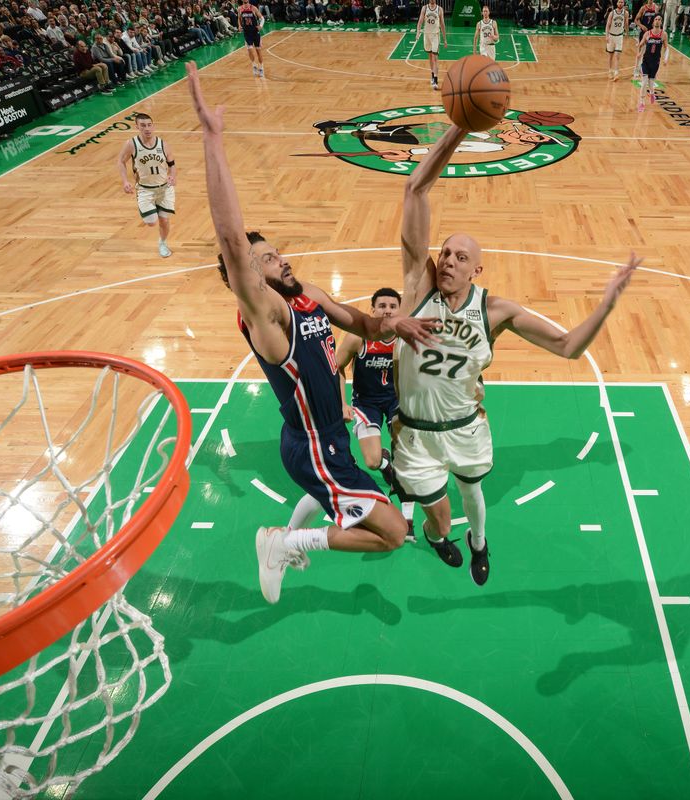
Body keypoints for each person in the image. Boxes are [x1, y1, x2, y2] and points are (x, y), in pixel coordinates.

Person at [185, 62, 440, 604]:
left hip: (332, 437)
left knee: (384, 526)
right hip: (311, 447)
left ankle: (310, 513)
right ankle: (283, 542)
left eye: (275, 252)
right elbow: (231, 239)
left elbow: (366, 322)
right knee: (394, 535)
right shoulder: (268, 318)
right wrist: (213, 138)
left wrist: (400, 324)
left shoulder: (310, 295)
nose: (278, 258)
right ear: (248, 279)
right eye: (265, 260)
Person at [395, 123, 640, 587]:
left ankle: (481, 544)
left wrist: (606, 304)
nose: (448, 260)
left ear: (478, 269)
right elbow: (415, 188)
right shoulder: (416, 289)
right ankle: (439, 536)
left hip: (465, 427)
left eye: (461, 257)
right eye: (445, 252)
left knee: (472, 493)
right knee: (438, 520)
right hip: (417, 434)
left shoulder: (495, 310)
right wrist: (460, 128)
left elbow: (568, 348)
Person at [336, 287, 417, 540]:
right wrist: (341, 404)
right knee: (371, 461)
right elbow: (336, 368)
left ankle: (408, 519)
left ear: (399, 310)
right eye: (382, 306)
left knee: (407, 460)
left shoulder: (406, 336)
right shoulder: (358, 337)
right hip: (365, 403)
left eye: (393, 306)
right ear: (373, 309)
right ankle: (384, 463)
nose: (387, 310)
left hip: (396, 400)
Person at [117, 113, 177, 258]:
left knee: (164, 220)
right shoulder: (131, 144)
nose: (147, 128)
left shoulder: (163, 144)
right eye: (143, 125)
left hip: (164, 188)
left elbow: (172, 164)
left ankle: (162, 243)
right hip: (145, 189)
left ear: (153, 126)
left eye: (149, 125)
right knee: (151, 222)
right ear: (137, 127)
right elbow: (120, 161)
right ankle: (152, 209)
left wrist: (173, 176)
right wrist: (125, 181)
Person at [637, 13, 668, 110]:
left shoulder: (663, 34)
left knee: (651, 82)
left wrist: (665, 58)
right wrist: (639, 52)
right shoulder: (647, 34)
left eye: (659, 19)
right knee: (644, 82)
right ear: (653, 21)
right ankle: (641, 102)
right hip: (646, 60)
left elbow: (667, 48)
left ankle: (651, 93)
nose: (658, 21)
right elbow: (641, 45)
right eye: (656, 19)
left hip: (655, 62)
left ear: (661, 22)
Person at [416, 0, 446, 90]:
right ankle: (432, 74)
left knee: (435, 58)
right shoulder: (424, 8)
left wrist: (445, 39)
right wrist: (418, 31)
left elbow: (442, 24)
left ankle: (436, 80)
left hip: (435, 35)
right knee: (430, 57)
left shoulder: (440, 9)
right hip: (426, 35)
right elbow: (420, 20)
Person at [238, 0, 265, 76]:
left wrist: (260, 26)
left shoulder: (253, 8)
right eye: (244, 2)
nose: (245, 4)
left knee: (258, 51)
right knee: (250, 50)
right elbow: (239, 19)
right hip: (247, 33)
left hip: (255, 32)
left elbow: (262, 18)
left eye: (246, 2)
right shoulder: (240, 9)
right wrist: (239, 26)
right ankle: (254, 66)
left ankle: (261, 68)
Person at [633, 0, 658, 77]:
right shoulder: (643, 8)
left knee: (649, 53)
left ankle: (643, 69)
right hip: (644, 33)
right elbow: (636, 20)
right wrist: (641, 26)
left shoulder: (656, 7)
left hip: (652, 33)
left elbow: (658, 19)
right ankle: (636, 69)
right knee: (640, 53)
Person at [605, 0, 628, 79]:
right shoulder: (612, 13)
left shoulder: (625, 13)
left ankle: (616, 72)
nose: (621, 3)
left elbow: (626, 23)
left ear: (624, 3)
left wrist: (627, 32)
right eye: (619, 2)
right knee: (610, 55)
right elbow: (608, 25)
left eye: (622, 2)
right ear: (617, 3)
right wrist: (607, 36)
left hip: (619, 36)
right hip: (611, 36)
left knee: (617, 55)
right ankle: (610, 71)